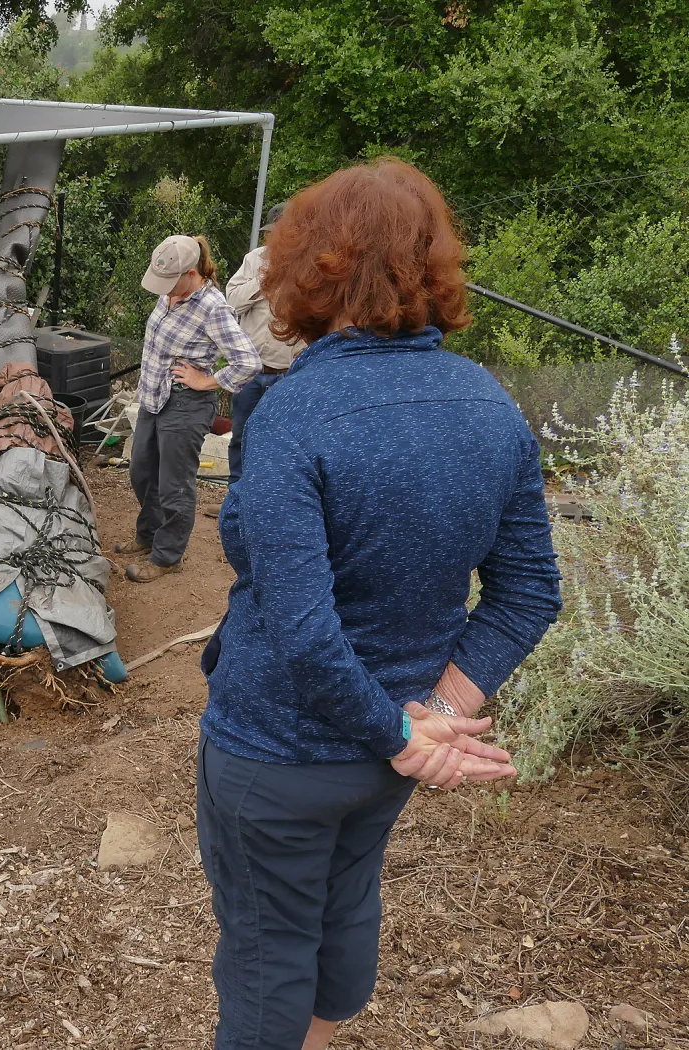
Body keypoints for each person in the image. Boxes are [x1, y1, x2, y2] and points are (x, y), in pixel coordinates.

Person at [194, 159, 562, 1050]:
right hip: (385, 759)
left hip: (283, 753)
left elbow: (299, 627)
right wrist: (433, 716)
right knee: (345, 903)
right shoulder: (490, 405)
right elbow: (528, 593)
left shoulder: (294, 413)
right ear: (432, 266)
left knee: (265, 954)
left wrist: (408, 736)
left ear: (309, 268)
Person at [119, 234, 261, 583]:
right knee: (141, 472)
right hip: (154, 398)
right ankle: (149, 534)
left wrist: (204, 381)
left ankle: (168, 556)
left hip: (186, 404)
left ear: (193, 273)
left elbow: (248, 361)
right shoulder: (170, 295)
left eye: (171, 283)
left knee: (174, 485)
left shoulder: (213, 308)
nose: (164, 289)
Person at [223, 202, 304, 482]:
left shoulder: (309, 264)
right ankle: (238, 498)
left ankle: (273, 497)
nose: (275, 238)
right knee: (241, 438)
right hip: (249, 373)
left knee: (283, 441)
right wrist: (263, 280)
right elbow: (231, 302)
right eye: (271, 232)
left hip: (288, 374)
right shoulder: (254, 260)